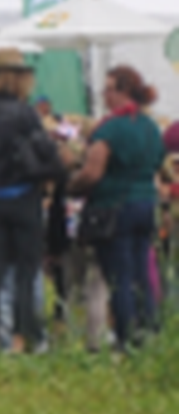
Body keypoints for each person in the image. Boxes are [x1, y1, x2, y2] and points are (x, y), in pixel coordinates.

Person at [0, 48, 62, 354]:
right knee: (25, 271)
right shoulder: (25, 113)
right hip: (23, 198)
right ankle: (20, 337)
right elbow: (45, 153)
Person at [71, 64, 161, 353]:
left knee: (119, 276)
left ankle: (126, 338)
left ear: (122, 92)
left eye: (108, 89)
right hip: (146, 203)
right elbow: (157, 165)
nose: (104, 95)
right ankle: (148, 333)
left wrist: (71, 186)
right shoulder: (150, 127)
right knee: (141, 274)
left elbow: (92, 173)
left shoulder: (109, 129)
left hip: (114, 207)